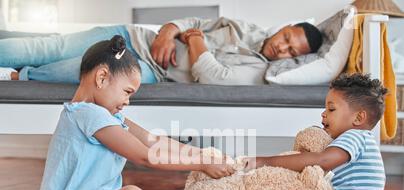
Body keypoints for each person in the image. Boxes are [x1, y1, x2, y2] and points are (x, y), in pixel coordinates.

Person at [32, 35, 235, 190]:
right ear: (101, 78)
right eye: (127, 92)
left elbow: (152, 140)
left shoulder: (108, 116)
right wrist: (200, 164)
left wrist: (201, 154)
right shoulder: (87, 114)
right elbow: (145, 156)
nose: (128, 102)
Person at [156, 73, 387, 190]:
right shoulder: (359, 141)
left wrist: (264, 161)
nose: (323, 114)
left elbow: (321, 161)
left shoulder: (356, 137)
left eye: (332, 109)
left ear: (358, 118)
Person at [0, 16, 323, 84]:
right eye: (286, 37)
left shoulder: (259, 71)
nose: (281, 47)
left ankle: (17, 77)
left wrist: (195, 39)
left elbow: (211, 76)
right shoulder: (246, 26)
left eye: (290, 52)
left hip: (150, 72)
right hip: (132, 36)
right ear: (283, 28)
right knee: (47, 46)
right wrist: (169, 31)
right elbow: (191, 19)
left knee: (71, 72)